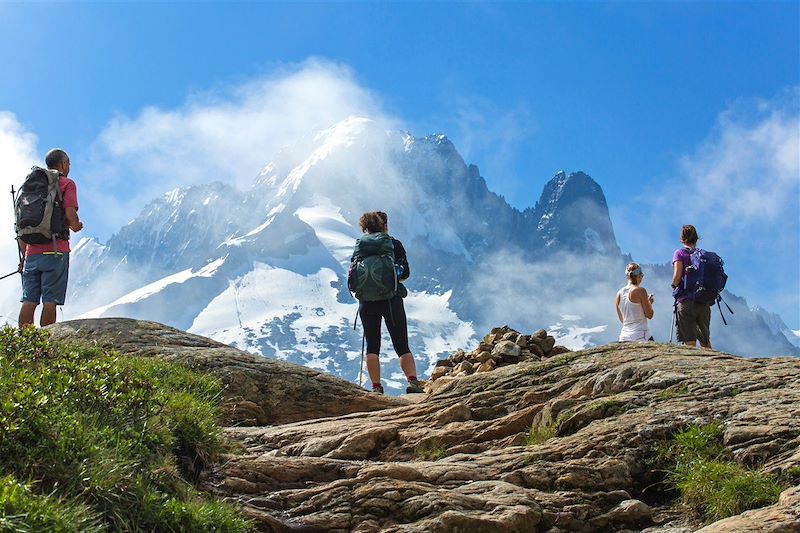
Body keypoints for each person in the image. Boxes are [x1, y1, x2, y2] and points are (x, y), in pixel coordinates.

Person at [351, 211, 423, 394]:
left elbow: (353, 275)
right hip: (391, 300)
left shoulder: (360, 246)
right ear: (385, 226)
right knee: (401, 344)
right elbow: (404, 273)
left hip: (366, 302)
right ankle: (413, 383)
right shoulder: (393, 244)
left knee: (372, 345)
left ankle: (376, 387)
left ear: (365, 227)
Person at [17, 149, 83, 327]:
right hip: (55, 251)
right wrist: (76, 226)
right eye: (68, 162)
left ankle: (24, 345)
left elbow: (21, 226)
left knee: (29, 300)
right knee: (50, 300)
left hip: (31, 253)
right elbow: (70, 215)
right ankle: (45, 346)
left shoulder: (31, 187)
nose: (69, 166)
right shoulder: (66, 184)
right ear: (63, 163)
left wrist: (25, 256)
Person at [671, 224, 711, 348]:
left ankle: (693, 368)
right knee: (705, 341)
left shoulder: (679, 253)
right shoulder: (703, 256)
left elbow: (677, 275)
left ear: (681, 238)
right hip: (703, 302)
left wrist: (673, 285)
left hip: (686, 302)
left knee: (689, 341)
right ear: (696, 238)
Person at [615, 262, 654, 342]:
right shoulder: (640, 291)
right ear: (638, 275)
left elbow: (622, 319)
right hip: (640, 336)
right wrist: (649, 303)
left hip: (623, 337)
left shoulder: (618, 294)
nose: (642, 278)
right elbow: (649, 315)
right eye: (642, 275)